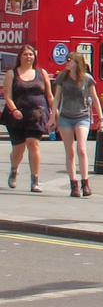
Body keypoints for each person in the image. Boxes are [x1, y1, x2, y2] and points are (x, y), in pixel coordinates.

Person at [5, 44, 55, 194]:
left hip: (37, 115)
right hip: (17, 116)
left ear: (35, 57)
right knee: (18, 150)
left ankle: (35, 179)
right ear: (20, 57)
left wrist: (55, 113)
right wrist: (13, 109)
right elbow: (8, 96)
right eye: (25, 55)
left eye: (31, 55)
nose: (28, 57)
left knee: (33, 145)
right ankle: (14, 169)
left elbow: (49, 95)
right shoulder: (12, 73)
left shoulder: (41, 73)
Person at [54, 52, 102, 198]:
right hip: (65, 117)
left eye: (69, 60)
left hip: (82, 116)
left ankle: (85, 183)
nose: (66, 62)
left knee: (81, 148)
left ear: (77, 62)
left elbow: (94, 98)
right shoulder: (62, 77)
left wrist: (100, 117)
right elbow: (57, 98)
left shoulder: (87, 79)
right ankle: (73, 184)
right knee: (70, 151)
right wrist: (52, 116)